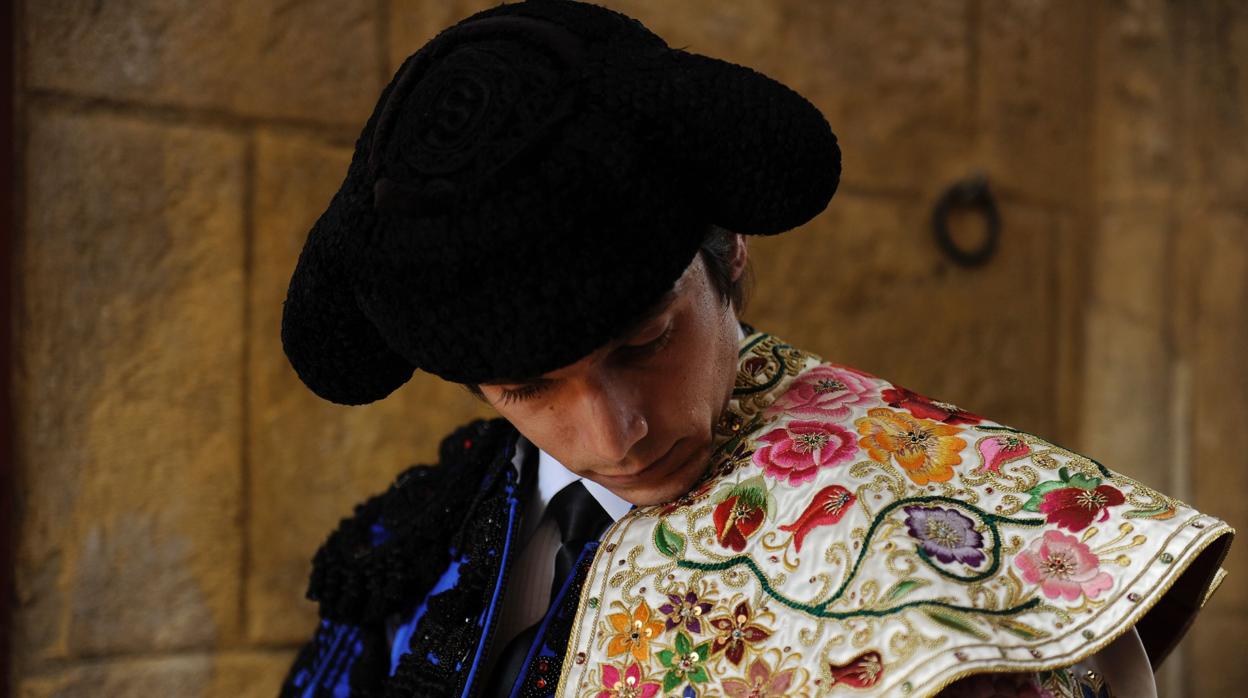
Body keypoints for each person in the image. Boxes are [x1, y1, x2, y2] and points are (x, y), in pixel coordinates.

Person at [277, 2, 1233, 696]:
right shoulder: (402, 543)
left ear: (730, 252)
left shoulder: (938, 559)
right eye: (530, 388)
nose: (615, 434)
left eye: (645, 339)